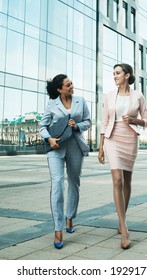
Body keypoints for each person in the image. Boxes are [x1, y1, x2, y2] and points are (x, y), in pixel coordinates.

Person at [98, 63, 147, 249]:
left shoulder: (138, 96)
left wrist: (134, 120)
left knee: (127, 181)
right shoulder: (109, 96)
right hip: (112, 137)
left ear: (127, 75)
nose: (115, 76)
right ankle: (125, 228)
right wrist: (101, 147)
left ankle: (121, 219)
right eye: (113, 73)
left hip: (129, 138)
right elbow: (104, 122)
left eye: (118, 73)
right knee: (117, 180)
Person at [39, 74, 91, 249]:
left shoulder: (80, 100)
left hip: (75, 146)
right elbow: (43, 127)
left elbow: (88, 121)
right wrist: (49, 140)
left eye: (72, 83)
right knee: (58, 184)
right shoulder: (51, 104)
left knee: (74, 183)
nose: (72, 86)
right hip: (56, 148)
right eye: (68, 85)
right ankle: (58, 229)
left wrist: (77, 126)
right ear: (59, 89)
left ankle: (70, 217)